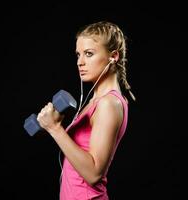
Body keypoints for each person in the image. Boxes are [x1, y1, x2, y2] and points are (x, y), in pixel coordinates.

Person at [36, 21, 136, 200]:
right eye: (78, 54)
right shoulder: (95, 101)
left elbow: (94, 174)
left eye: (89, 54)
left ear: (113, 56)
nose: (79, 62)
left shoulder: (109, 104)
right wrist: (50, 125)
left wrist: (55, 129)